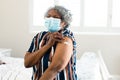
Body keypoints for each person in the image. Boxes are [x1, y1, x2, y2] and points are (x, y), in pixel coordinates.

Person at [24, 5, 77, 80]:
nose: (51, 19)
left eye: (55, 17)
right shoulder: (39, 37)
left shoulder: (65, 38)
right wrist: (48, 45)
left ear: (64, 22)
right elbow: (27, 63)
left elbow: (55, 68)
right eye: (48, 16)